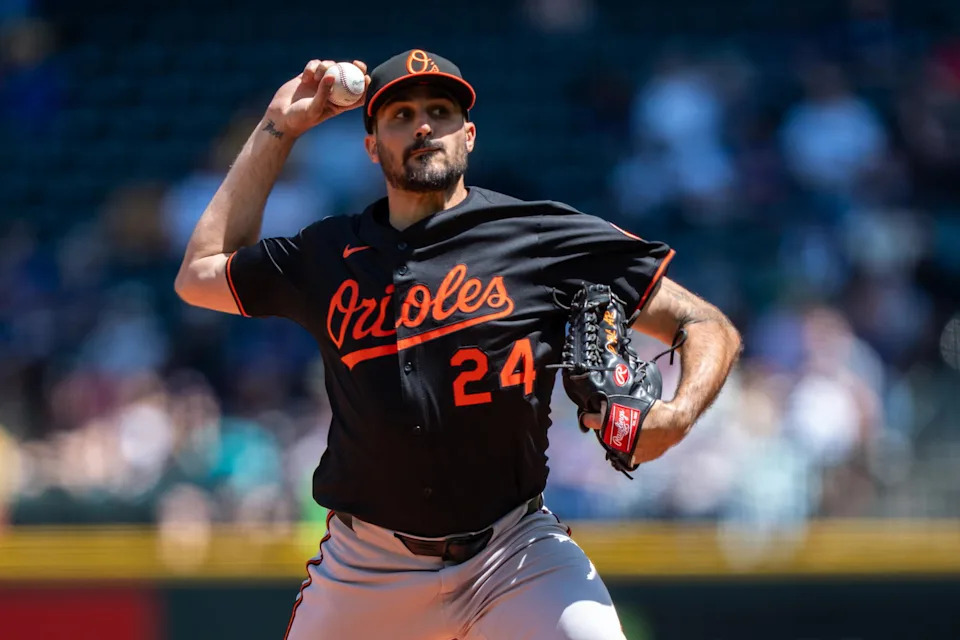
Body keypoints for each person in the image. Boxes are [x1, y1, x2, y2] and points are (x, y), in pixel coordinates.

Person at [175, 49, 742, 640]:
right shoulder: (328, 255)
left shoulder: (538, 237)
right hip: (366, 569)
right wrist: (279, 127)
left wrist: (676, 416)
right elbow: (200, 274)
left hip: (515, 556)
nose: (423, 126)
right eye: (399, 115)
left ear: (467, 136)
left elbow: (705, 324)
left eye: (440, 111)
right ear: (372, 146)